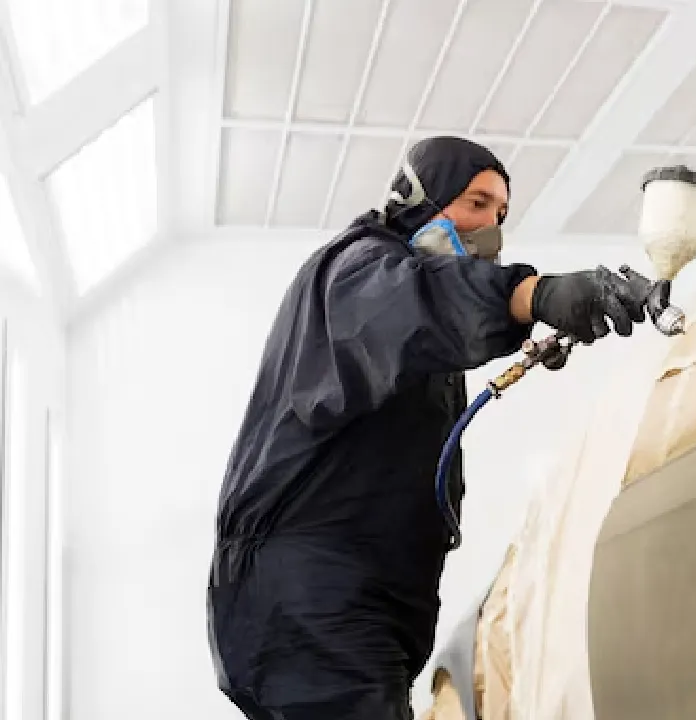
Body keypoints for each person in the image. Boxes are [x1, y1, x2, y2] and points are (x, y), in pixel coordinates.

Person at [206, 136, 648, 719]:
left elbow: (434, 326)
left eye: (500, 214)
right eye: (475, 203)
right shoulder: (356, 268)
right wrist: (533, 294)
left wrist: (532, 329)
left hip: (352, 602)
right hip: (313, 601)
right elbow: (415, 305)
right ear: (415, 197)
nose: (489, 226)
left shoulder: (393, 289)